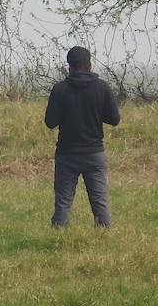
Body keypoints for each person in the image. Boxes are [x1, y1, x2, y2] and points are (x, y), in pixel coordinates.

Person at [44, 46, 120, 228]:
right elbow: (114, 119)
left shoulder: (60, 89)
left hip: (66, 154)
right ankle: (103, 237)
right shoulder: (102, 88)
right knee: (99, 200)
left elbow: (50, 122)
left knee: (63, 201)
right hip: (94, 154)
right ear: (90, 65)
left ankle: (57, 237)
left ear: (69, 66)